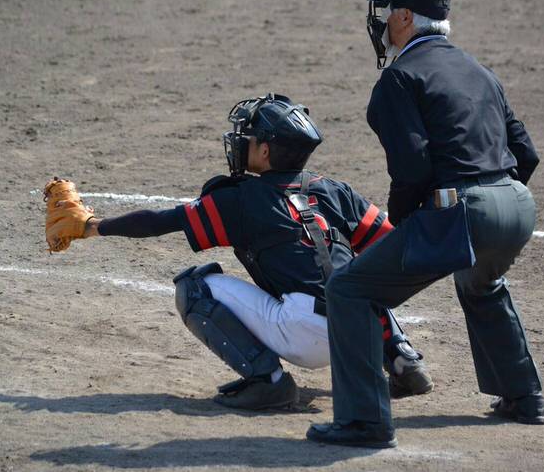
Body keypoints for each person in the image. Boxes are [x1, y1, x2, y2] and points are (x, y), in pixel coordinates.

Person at [64, 93, 435, 410]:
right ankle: (402, 357)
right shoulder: (335, 190)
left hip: (302, 335)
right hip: (358, 333)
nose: (241, 141)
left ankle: (268, 381)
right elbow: (391, 250)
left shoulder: (240, 199)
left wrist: (92, 227)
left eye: (250, 136)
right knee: (364, 270)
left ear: (266, 150)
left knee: (194, 288)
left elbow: (159, 221)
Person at [306, 0, 544, 448]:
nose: (379, 24)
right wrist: (492, 196)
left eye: (385, 14)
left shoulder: (400, 79)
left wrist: (406, 224)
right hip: (518, 206)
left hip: (464, 212)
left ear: (406, 18)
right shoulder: (481, 70)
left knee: (351, 291)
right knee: (481, 282)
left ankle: (364, 423)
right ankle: (524, 397)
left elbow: (412, 167)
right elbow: (527, 153)